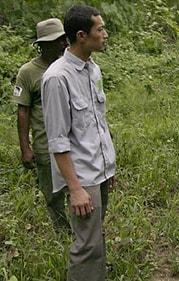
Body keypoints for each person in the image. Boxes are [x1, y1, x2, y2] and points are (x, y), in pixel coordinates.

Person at [41, 5, 116, 281]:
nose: (105, 35)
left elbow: (97, 123)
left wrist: (110, 167)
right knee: (87, 245)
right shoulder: (57, 78)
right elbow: (58, 141)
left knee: (95, 237)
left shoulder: (92, 69)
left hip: (100, 171)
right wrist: (75, 188)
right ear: (82, 35)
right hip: (81, 176)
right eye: (101, 29)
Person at [12, 18, 71, 233]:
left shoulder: (69, 65)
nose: (62, 45)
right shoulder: (28, 72)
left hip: (72, 140)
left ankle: (80, 232)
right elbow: (23, 110)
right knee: (53, 193)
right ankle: (62, 231)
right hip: (45, 144)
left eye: (63, 40)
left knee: (77, 187)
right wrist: (25, 147)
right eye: (56, 41)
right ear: (42, 45)